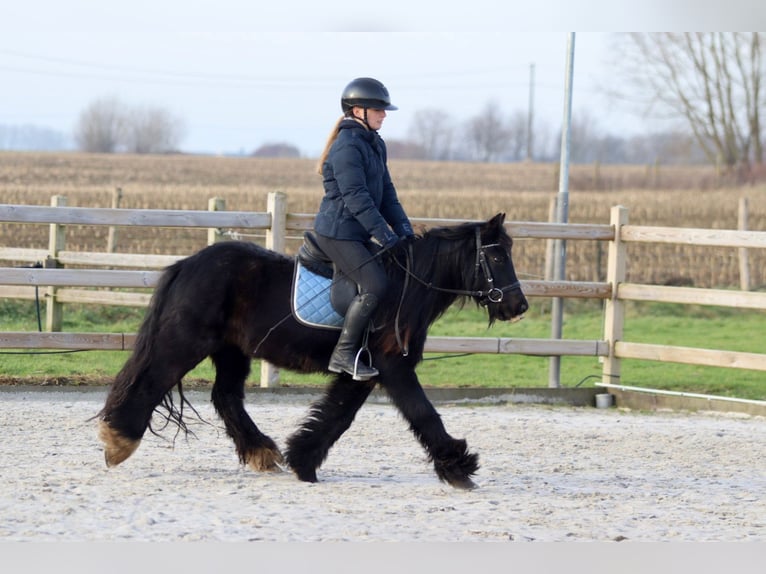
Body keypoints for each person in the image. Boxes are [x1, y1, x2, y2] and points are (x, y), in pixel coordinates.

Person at [312, 77, 415, 381]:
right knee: (376, 285)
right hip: (337, 233)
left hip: (355, 233)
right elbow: (358, 200)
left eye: (384, 110)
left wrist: (405, 232)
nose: (384, 115)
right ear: (358, 110)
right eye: (379, 110)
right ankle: (343, 354)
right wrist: (386, 237)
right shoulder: (346, 147)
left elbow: (387, 194)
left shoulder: (375, 144)